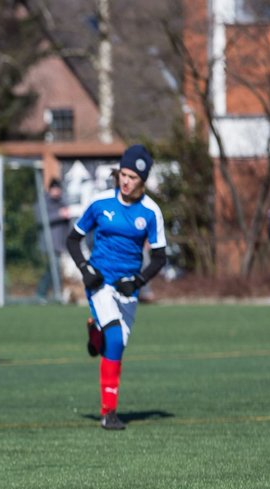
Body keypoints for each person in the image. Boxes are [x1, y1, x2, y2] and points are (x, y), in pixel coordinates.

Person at [66, 144, 168, 431]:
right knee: (114, 336)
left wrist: (136, 282)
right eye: (122, 174)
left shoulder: (150, 212)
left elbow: (160, 257)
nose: (125, 181)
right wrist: (86, 270)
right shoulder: (100, 203)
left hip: (127, 289)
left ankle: (94, 334)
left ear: (143, 180)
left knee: (116, 346)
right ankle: (108, 413)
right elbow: (73, 240)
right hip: (100, 281)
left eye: (132, 177)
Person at [35, 179, 78, 305]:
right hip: (48, 243)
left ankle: (55, 294)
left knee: (56, 269)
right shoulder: (43, 202)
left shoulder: (62, 202)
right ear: (50, 189)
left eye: (58, 188)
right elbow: (40, 219)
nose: (56, 191)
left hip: (60, 244)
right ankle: (42, 293)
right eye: (54, 188)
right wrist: (59, 214)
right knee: (53, 267)